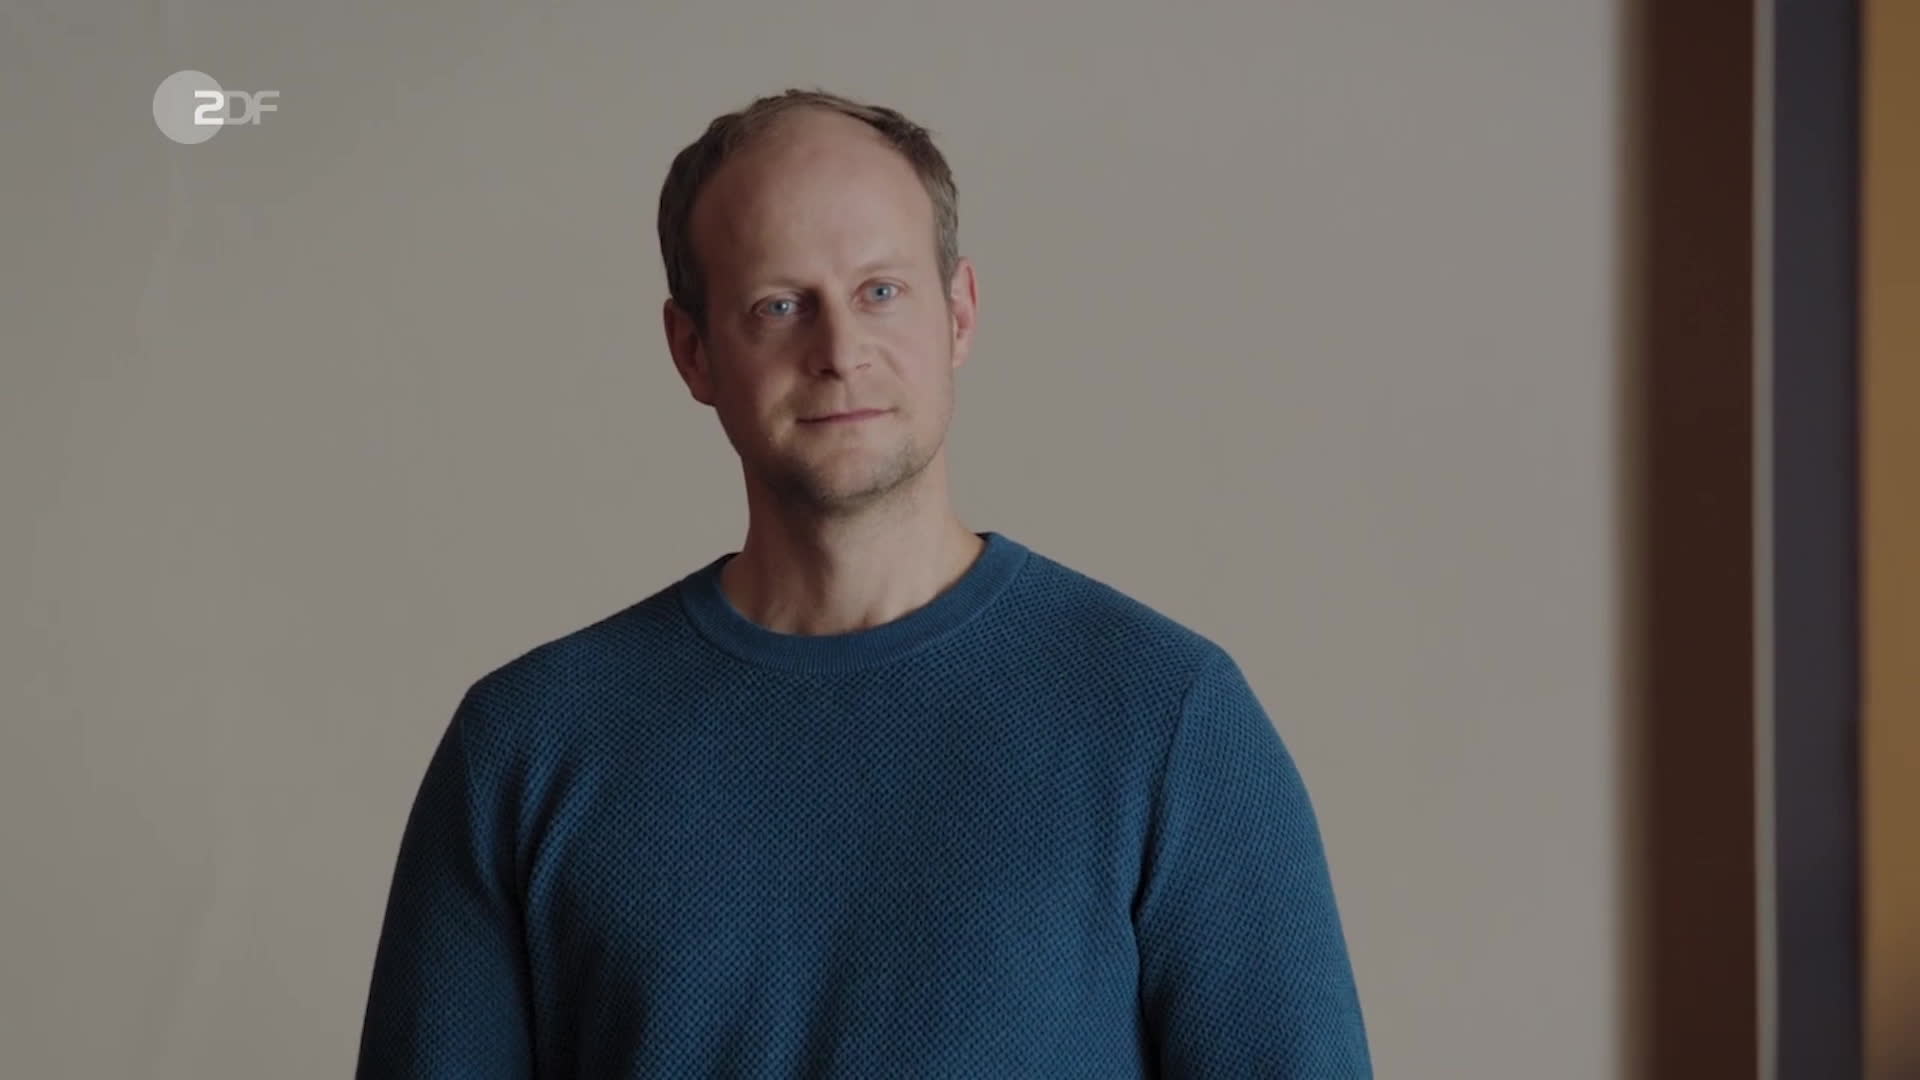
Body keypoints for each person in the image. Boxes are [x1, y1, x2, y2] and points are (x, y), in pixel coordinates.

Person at [354, 87, 1372, 1079]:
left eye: (881, 291)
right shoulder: (528, 746)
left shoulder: (1168, 720)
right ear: (693, 351)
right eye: (779, 306)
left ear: (959, 313)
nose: (840, 351)